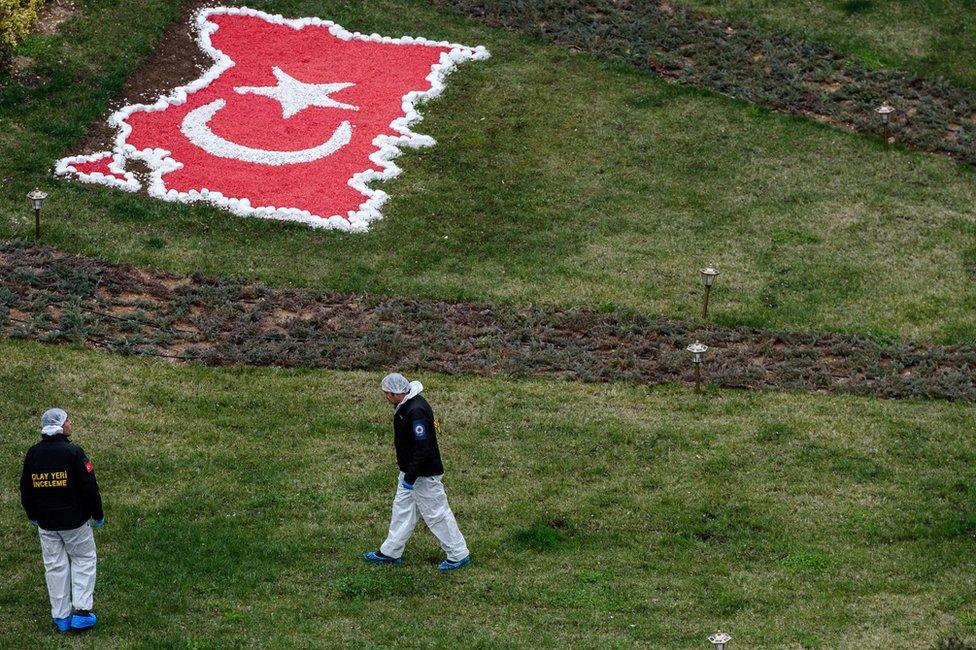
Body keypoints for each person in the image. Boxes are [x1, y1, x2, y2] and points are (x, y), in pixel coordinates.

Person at [363, 373, 471, 571]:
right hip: (410, 473)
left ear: (396, 393)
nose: (385, 397)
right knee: (402, 510)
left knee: (437, 513)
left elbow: (424, 449)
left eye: (387, 393)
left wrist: (410, 478)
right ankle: (390, 551)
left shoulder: (416, 411)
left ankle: (458, 554)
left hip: (422, 475)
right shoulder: (407, 405)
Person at [20, 408, 105, 633]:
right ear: (60, 426)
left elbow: (26, 489)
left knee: (54, 566)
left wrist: (32, 515)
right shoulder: (73, 453)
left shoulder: (33, 454)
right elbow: (89, 488)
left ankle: (61, 617)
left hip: (46, 523)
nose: (71, 423)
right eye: (68, 420)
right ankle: (82, 612)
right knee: (84, 559)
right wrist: (98, 514)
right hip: (75, 522)